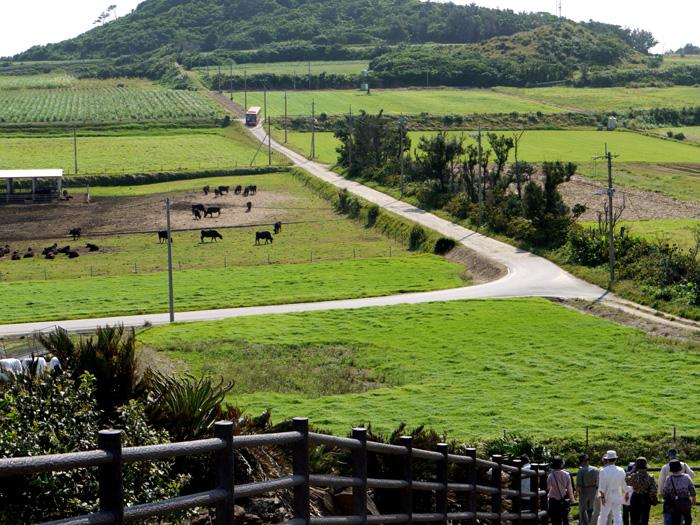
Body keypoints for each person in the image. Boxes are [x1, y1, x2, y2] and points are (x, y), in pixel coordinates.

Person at [659, 449, 695, 525]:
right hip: (684, 498)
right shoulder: (684, 465)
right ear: (677, 456)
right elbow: (692, 475)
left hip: (671, 499)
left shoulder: (665, 468)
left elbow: (661, 482)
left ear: (669, 456)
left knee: (672, 517)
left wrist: (661, 493)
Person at [598, 450, 628, 525]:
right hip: (617, 494)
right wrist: (627, 492)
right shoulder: (621, 470)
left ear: (607, 460)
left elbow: (602, 486)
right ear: (615, 459)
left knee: (603, 515)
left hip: (607, 495)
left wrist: (602, 497)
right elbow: (624, 484)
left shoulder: (603, 471)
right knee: (618, 514)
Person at [626, 457, 657, 525]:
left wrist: (632, 471)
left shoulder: (633, 476)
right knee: (645, 517)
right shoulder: (650, 477)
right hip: (646, 497)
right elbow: (654, 490)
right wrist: (652, 498)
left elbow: (626, 481)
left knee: (634, 518)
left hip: (635, 497)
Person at [548, 456, 576, 525]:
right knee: (565, 518)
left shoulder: (550, 475)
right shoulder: (566, 474)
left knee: (555, 520)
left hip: (553, 500)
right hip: (563, 499)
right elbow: (570, 488)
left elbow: (548, 487)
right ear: (561, 464)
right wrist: (572, 500)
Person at [577, 454, 600, 525]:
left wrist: (578, 493)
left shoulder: (581, 471)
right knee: (592, 509)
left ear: (582, 462)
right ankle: (592, 522)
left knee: (582, 510)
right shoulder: (596, 469)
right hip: (594, 490)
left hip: (584, 490)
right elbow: (598, 482)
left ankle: (584, 523)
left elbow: (579, 484)